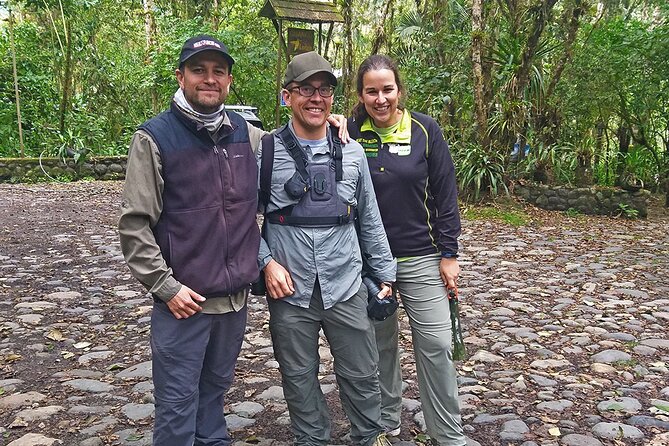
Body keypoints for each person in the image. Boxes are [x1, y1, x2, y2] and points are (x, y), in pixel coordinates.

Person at [118, 35, 265, 446]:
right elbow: (134, 225)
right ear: (180, 76)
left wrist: (336, 123)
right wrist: (166, 287)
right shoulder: (155, 138)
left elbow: (300, 138)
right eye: (199, 70)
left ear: (230, 80)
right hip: (184, 304)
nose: (209, 79)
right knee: (177, 407)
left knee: (214, 397)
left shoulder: (247, 137)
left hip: (233, 302)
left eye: (218, 71)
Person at [256, 51, 396, 446]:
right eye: (305, 90)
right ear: (287, 96)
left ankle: (369, 437)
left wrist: (385, 273)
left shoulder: (351, 151)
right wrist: (265, 263)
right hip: (290, 289)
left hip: (346, 282)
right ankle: (311, 439)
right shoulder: (264, 153)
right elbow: (239, 221)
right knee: (298, 376)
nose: (316, 98)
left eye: (325, 90)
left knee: (362, 371)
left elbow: (367, 216)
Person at [347, 54, 466, 446]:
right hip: (370, 263)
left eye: (387, 89)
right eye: (371, 91)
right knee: (380, 344)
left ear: (399, 90)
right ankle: (386, 419)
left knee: (436, 344)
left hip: (421, 256)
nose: (380, 99)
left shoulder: (425, 131)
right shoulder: (347, 131)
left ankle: (447, 434)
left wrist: (449, 255)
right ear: (361, 95)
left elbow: (446, 198)